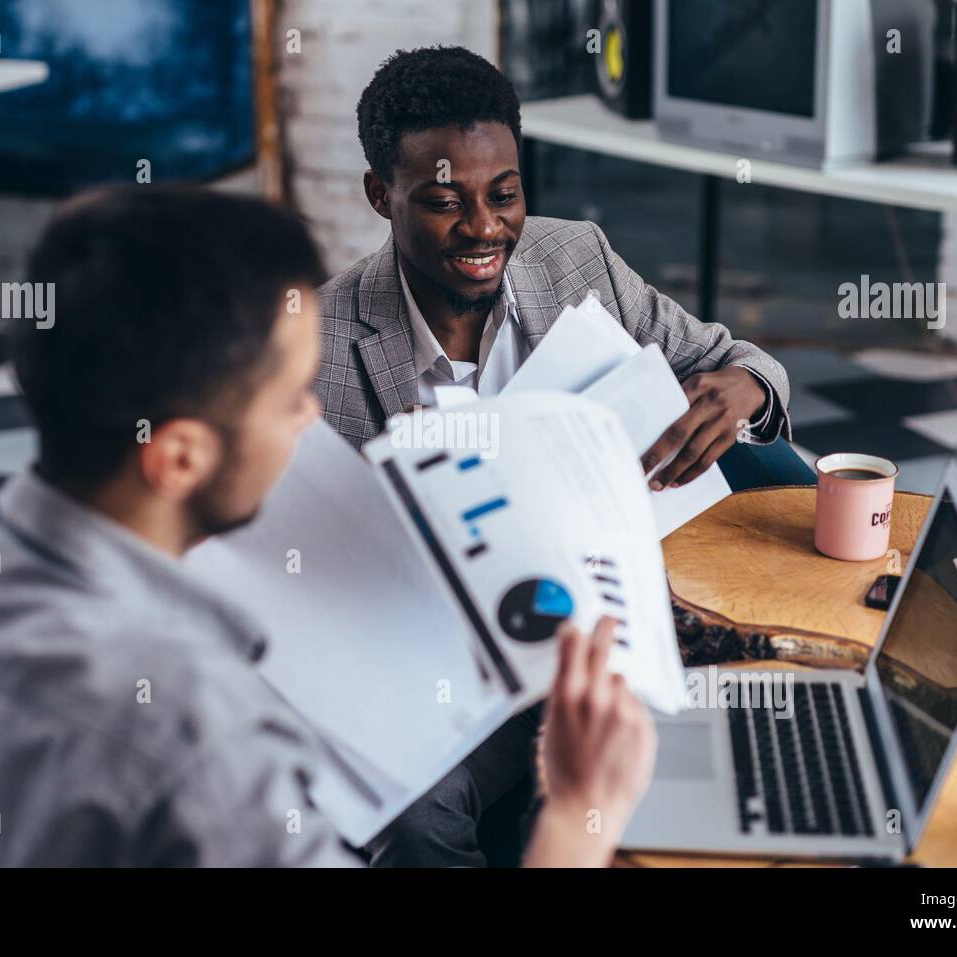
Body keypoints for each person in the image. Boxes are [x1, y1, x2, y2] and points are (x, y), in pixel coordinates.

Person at [0, 186, 655, 867]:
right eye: (289, 399)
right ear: (175, 458)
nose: (309, 421)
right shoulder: (200, 743)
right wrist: (581, 814)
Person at [317, 45, 814, 866]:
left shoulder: (574, 258)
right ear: (381, 194)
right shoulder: (330, 343)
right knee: (416, 813)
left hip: (629, 618)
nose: (485, 227)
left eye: (504, 194)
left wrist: (744, 390)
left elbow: (743, 357)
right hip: (461, 663)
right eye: (445, 202)